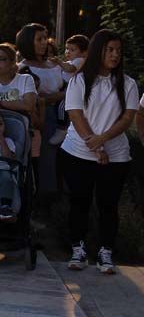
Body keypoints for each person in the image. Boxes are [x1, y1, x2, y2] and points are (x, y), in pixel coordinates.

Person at [60, 30, 139, 274]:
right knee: (79, 201)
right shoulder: (80, 80)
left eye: (118, 50)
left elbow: (127, 118)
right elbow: (75, 114)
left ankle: (106, 251)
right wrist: (94, 146)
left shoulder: (127, 83)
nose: (115, 55)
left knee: (108, 204)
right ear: (98, 51)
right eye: (109, 50)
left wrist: (103, 141)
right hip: (78, 152)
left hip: (115, 155)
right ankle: (78, 248)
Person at [16, 23, 65, 193]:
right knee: (45, 158)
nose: (44, 42)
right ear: (28, 42)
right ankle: (43, 198)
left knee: (59, 158)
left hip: (62, 115)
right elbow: (36, 97)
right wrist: (63, 95)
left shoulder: (54, 64)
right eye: (39, 39)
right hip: (40, 115)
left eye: (45, 38)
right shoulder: (22, 68)